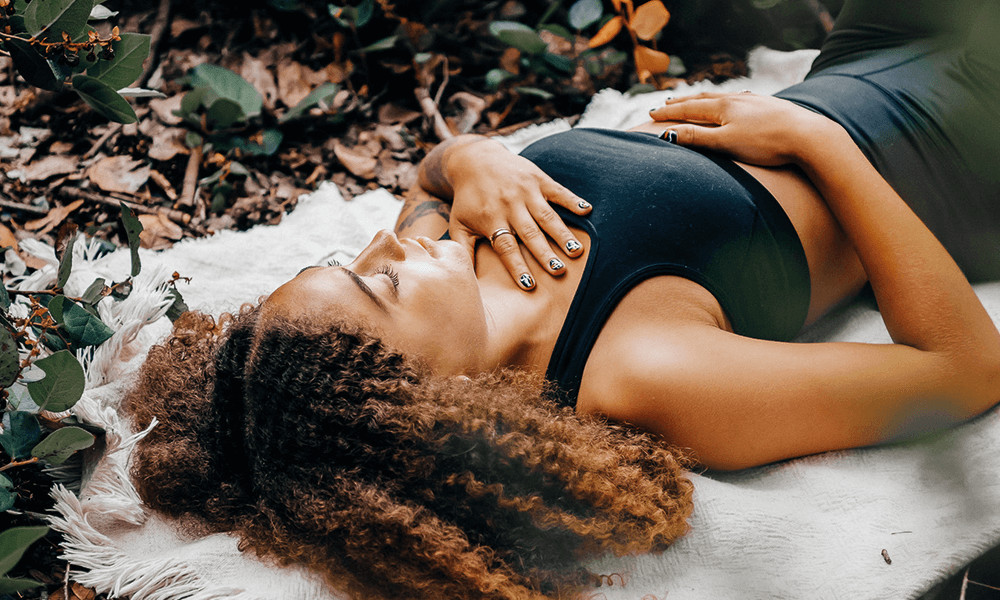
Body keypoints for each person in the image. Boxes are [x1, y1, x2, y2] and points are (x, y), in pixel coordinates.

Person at [126, 1, 1000, 599]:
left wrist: (472, 159)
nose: (391, 242)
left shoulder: (441, 271)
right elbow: (959, 371)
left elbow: (430, 181)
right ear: (429, 397)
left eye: (352, 256)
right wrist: (816, 145)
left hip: (861, 57)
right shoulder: (639, 370)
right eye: (380, 279)